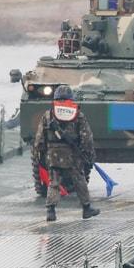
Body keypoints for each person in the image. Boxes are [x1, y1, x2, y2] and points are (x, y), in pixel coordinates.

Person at [32, 90, 99, 222]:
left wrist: (40, 153)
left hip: (53, 154)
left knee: (54, 182)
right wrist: (88, 153)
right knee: (79, 180)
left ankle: (50, 211)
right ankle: (86, 209)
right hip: (73, 154)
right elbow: (87, 138)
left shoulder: (49, 114)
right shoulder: (77, 114)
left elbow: (39, 138)